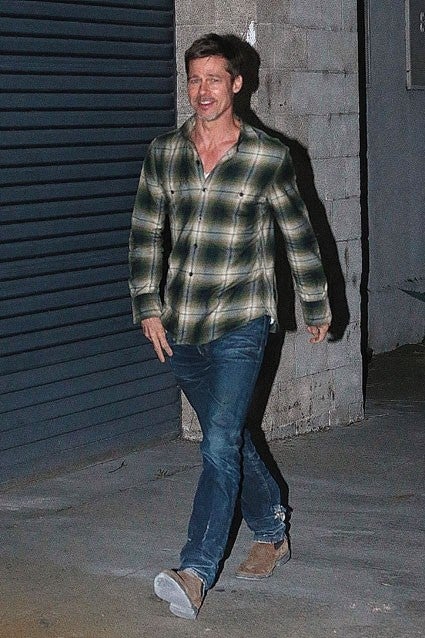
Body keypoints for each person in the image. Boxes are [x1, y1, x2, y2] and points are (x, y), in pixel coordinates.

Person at [128, 33, 331, 620]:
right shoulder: (164, 152)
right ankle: (272, 526)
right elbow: (146, 231)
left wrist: (316, 303)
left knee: (217, 442)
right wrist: (147, 304)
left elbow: (298, 233)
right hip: (182, 321)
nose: (202, 91)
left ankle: (194, 572)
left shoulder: (269, 156)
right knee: (232, 436)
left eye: (214, 79)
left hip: (243, 318)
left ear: (237, 84)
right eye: (194, 79)